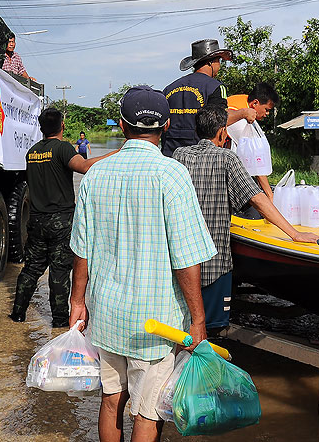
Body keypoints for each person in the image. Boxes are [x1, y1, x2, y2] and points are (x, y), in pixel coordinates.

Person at [69, 86, 216, 442]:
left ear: (121, 125)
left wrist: (77, 302)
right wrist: (198, 320)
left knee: (110, 400)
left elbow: (82, 251)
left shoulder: (96, 175)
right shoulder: (172, 174)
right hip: (157, 323)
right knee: (148, 412)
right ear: (165, 126)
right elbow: (186, 260)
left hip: (106, 314)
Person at [174, 106, 319, 333]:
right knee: (210, 332)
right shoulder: (227, 159)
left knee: (183, 328)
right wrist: (295, 234)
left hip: (182, 263)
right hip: (214, 265)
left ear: (196, 131)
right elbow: (258, 200)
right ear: (223, 133)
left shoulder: (179, 155)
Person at [9, 108, 116, 326]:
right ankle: (58, 322)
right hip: (61, 222)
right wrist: (118, 153)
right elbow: (85, 167)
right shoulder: (62, 148)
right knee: (59, 272)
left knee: (31, 268)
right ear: (63, 126)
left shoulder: (32, 152)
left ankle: (18, 313)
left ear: (41, 128)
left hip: (36, 220)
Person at [160, 39, 255, 157]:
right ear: (211, 62)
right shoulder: (215, 87)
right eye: (219, 61)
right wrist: (244, 113)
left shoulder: (169, 88)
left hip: (170, 157)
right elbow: (218, 119)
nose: (219, 66)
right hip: (198, 159)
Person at [226, 82, 280, 200]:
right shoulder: (238, 118)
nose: (267, 114)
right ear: (255, 103)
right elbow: (255, 160)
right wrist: (270, 196)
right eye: (266, 109)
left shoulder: (244, 103)